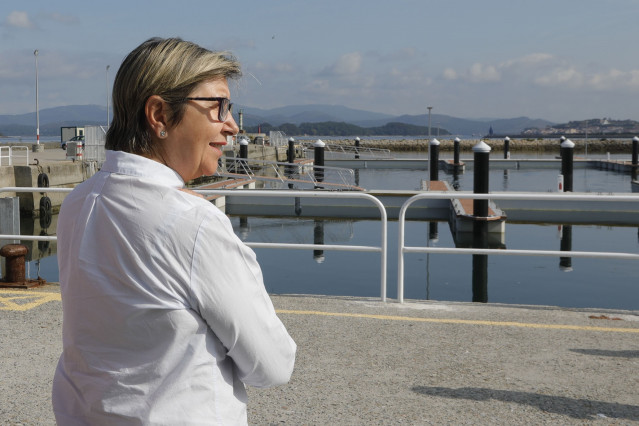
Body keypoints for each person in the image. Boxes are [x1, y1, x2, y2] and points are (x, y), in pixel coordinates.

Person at [52, 37, 296, 425]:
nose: (231, 125)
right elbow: (274, 363)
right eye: (218, 107)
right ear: (160, 115)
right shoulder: (193, 223)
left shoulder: (79, 202)